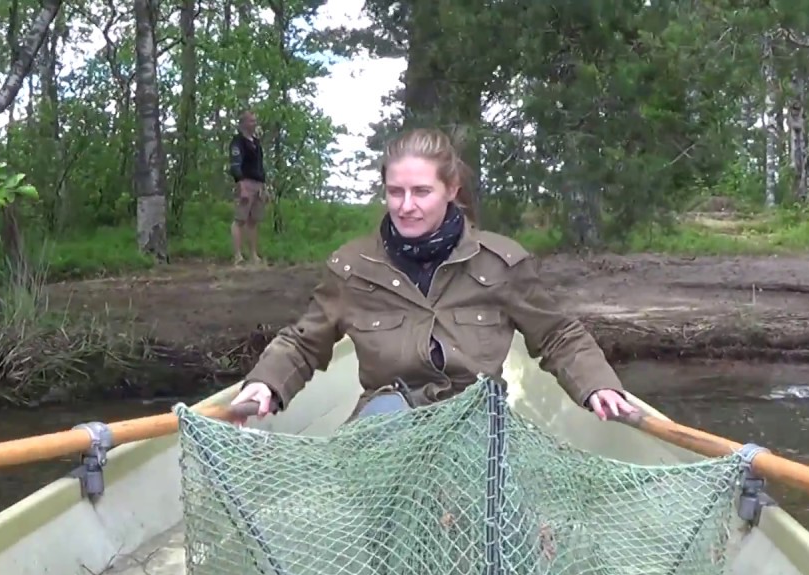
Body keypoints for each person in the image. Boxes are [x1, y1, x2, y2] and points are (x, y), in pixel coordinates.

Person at [230, 127, 636, 423]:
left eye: (421, 192)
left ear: (451, 189)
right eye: (395, 192)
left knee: (500, 518)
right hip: (385, 421)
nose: (406, 206)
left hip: (477, 420)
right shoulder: (351, 267)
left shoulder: (501, 263)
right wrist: (267, 383)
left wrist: (598, 385)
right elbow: (303, 344)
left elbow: (557, 335)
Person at [228, 110, 268, 264]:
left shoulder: (256, 142)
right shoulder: (238, 142)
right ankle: (238, 256)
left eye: (255, 120)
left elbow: (260, 166)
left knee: (254, 220)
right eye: (251, 121)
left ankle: (253, 255)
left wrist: (263, 186)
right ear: (243, 123)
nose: (254, 123)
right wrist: (241, 186)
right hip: (244, 182)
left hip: (257, 183)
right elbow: (235, 165)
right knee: (240, 219)